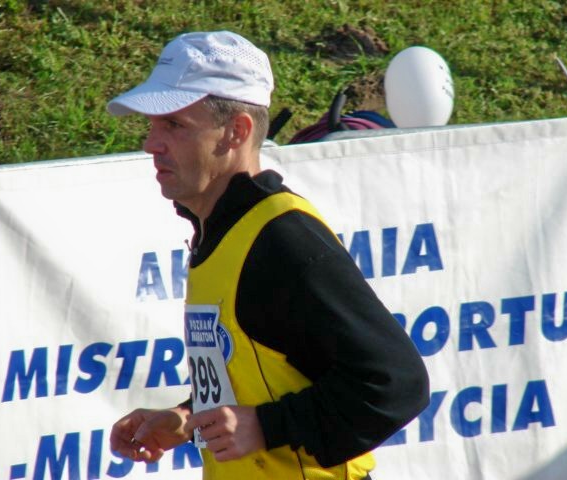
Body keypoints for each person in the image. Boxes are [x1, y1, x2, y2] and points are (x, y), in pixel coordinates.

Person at [107, 30, 429, 480]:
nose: (150, 143)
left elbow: (397, 381)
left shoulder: (281, 238)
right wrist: (188, 418)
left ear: (236, 132)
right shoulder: (218, 227)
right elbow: (263, 381)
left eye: (174, 125)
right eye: (153, 124)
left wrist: (267, 427)